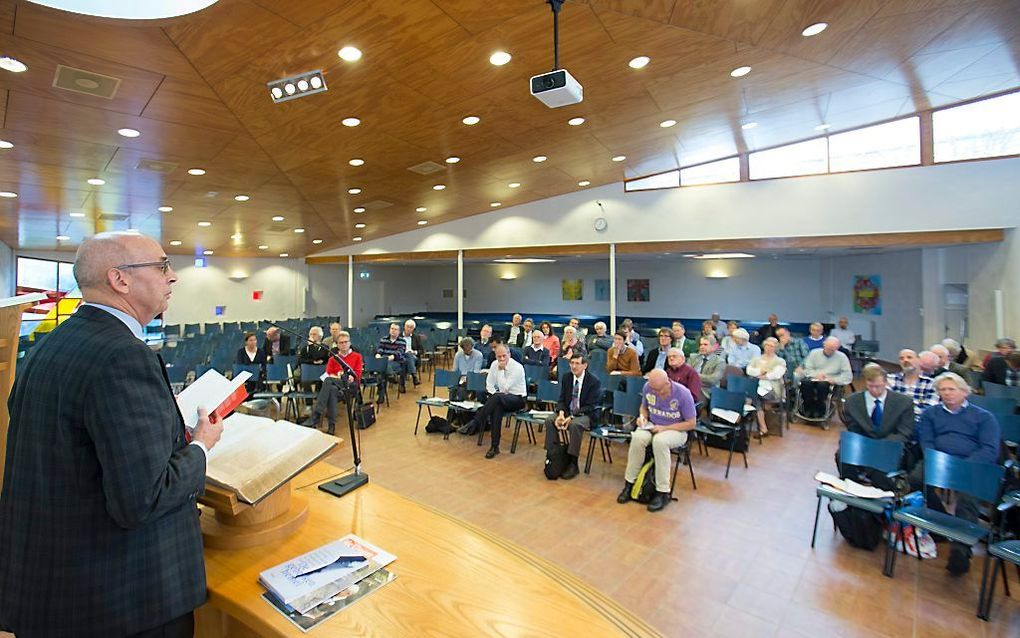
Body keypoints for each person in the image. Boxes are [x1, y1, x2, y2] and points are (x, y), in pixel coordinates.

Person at [0, 231, 225, 637]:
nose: (172, 276)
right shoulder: (123, 355)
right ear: (119, 279)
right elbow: (143, 499)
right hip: (119, 603)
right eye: (161, 266)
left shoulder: (46, 348)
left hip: (53, 590)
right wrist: (202, 447)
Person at [914, 373, 1001, 574]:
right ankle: (942, 520)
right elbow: (926, 442)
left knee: (967, 499)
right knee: (915, 480)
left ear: (964, 392)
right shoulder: (930, 414)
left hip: (972, 465)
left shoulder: (984, 417)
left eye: (951, 389)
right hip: (940, 462)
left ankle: (961, 550)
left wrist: (961, 468)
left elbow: (989, 449)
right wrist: (940, 463)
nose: (946, 393)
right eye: (942, 390)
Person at [616, 369, 697, 512]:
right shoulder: (649, 387)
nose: (656, 392)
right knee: (637, 438)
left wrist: (664, 428)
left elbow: (691, 423)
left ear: (668, 383)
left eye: (658, 390)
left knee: (660, 442)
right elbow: (644, 407)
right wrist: (643, 417)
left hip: (676, 430)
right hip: (652, 425)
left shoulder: (683, 394)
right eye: (653, 389)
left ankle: (662, 492)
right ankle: (629, 484)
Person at [460, 344, 526, 459]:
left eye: (504, 356)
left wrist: (501, 371)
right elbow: (489, 384)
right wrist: (494, 393)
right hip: (501, 398)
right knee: (496, 408)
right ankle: (494, 447)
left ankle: (475, 422)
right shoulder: (494, 364)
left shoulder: (517, 367)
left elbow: (504, 387)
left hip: (517, 399)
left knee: (497, 398)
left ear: (509, 354)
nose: (501, 359)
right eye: (498, 356)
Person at [543, 353, 603, 479]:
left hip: (587, 414)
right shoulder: (567, 377)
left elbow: (591, 406)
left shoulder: (594, 381)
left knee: (574, 425)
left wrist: (571, 417)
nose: (574, 366)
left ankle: (573, 463)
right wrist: (560, 414)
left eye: (577, 363)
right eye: (572, 363)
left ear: (585, 365)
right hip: (567, 412)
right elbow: (562, 400)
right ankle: (553, 455)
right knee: (550, 420)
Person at [301, 331, 364, 434]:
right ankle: (331, 426)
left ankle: (316, 414)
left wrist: (342, 376)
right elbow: (329, 373)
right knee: (332, 390)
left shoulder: (357, 356)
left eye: (345, 342)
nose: (343, 344)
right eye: (341, 343)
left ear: (349, 343)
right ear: (337, 344)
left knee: (328, 381)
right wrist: (339, 376)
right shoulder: (333, 359)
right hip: (337, 386)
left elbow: (356, 375)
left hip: (351, 387)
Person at [843, 364, 915, 444]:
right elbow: (853, 429)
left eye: (878, 386)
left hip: (893, 444)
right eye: (870, 386)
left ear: (886, 382)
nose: (874, 390)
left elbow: (904, 432)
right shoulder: (852, 401)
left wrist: (881, 445)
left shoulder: (904, 402)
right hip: (862, 443)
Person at [797, 337, 852, 418]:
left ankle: (820, 410)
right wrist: (816, 374)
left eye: (832, 349)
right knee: (805, 384)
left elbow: (847, 375)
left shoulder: (842, 357)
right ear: (824, 345)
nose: (830, 351)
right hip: (813, 378)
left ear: (837, 348)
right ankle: (807, 408)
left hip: (830, 381)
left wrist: (835, 380)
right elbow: (807, 368)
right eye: (828, 348)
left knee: (822, 386)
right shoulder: (814, 353)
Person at [745, 337, 787, 435]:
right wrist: (761, 372)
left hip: (772, 389)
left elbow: (776, 374)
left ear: (776, 348)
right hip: (756, 387)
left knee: (752, 397)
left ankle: (746, 422)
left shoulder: (780, 361)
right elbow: (749, 370)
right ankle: (763, 428)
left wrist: (764, 376)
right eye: (767, 345)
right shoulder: (756, 359)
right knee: (754, 397)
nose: (769, 348)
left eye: (772, 346)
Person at [888, 349, 938, 420]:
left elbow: (931, 409)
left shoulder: (931, 383)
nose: (905, 360)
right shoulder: (890, 379)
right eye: (901, 358)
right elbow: (887, 406)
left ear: (919, 361)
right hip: (895, 423)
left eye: (909, 357)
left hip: (920, 423)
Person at [689, 336, 725, 401]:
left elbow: (712, 380)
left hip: (706, 391)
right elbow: (686, 374)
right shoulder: (693, 357)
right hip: (690, 388)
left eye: (705, 345)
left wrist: (694, 376)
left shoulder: (720, 362)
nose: (702, 347)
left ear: (713, 347)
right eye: (701, 344)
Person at [376, 322, 408, 393]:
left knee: (383, 367)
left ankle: (381, 389)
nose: (393, 330)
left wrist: (387, 358)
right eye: (392, 328)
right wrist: (378, 355)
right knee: (382, 367)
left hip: (396, 362)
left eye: (395, 329)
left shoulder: (402, 341)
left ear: (399, 332)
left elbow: (399, 353)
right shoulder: (383, 339)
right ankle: (390, 376)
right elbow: (380, 350)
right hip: (384, 360)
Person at [401, 319, 424, 386]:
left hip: (414, 358)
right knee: (404, 361)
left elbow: (422, 350)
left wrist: (414, 352)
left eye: (411, 327)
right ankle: (414, 375)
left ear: (413, 329)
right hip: (401, 357)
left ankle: (402, 384)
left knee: (409, 355)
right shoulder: (399, 336)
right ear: (404, 327)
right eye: (407, 326)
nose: (408, 329)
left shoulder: (416, 337)